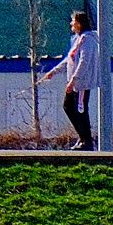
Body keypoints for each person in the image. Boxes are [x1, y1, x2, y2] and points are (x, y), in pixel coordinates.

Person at [39, 9, 98, 150]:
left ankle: (87, 141)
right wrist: (54, 71)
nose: (71, 24)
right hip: (74, 82)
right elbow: (69, 59)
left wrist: (74, 80)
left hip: (81, 83)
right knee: (68, 106)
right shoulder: (77, 39)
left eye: (73, 21)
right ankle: (82, 137)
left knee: (80, 109)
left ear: (79, 23)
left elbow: (84, 62)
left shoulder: (88, 40)